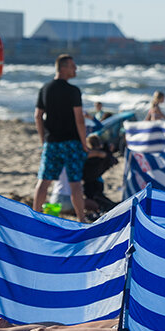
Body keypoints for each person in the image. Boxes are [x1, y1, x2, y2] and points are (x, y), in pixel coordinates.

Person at [33, 54, 89, 223]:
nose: (76, 69)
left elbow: (37, 116)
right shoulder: (73, 91)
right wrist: (84, 143)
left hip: (52, 142)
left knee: (44, 182)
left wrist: (43, 139)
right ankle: (81, 219)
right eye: (73, 66)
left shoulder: (45, 89)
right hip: (71, 142)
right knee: (75, 183)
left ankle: (35, 217)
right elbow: (79, 119)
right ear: (63, 68)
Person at [82, 134, 119, 212]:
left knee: (94, 197)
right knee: (98, 196)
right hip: (98, 180)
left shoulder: (95, 155)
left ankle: (104, 208)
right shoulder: (105, 154)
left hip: (90, 181)